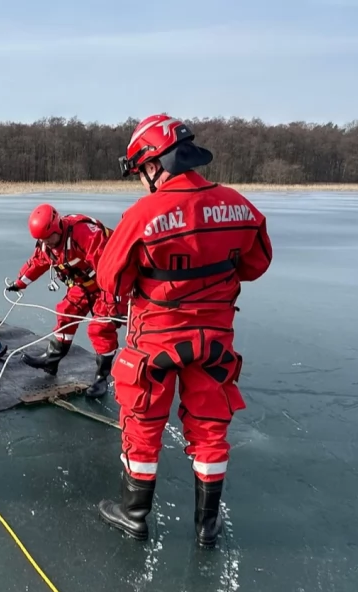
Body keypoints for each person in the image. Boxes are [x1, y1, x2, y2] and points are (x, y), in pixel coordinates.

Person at [94, 114, 273, 548]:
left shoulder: (143, 214)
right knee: (211, 428)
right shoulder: (240, 206)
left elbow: (109, 280)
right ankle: (206, 527)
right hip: (214, 342)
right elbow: (256, 264)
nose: (141, 180)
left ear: (154, 165)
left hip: (155, 342)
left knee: (143, 424)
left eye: (140, 172)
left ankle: (134, 514)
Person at [6, 204, 127, 398]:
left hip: (105, 286)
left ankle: (101, 378)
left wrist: (115, 304)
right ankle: (51, 361)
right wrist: (20, 282)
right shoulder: (47, 244)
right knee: (65, 313)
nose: (46, 243)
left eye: (49, 238)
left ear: (57, 227)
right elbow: (38, 262)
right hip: (82, 285)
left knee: (100, 329)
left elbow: (111, 270)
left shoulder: (85, 234)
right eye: (42, 240)